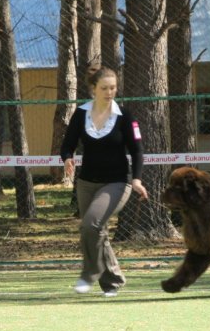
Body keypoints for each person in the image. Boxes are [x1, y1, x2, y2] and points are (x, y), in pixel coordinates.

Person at [60, 66, 148, 297]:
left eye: (113, 88)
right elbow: (67, 144)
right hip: (86, 182)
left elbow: (137, 151)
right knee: (94, 231)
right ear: (93, 89)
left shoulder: (125, 117)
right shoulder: (80, 114)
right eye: (104, 88)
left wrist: (137, 180)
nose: (110, 92)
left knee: (91, 224)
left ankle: (90, 272)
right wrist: (67, 158)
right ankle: (113, 281)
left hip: (118, 182)